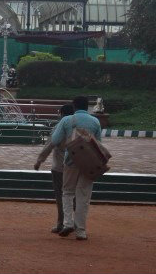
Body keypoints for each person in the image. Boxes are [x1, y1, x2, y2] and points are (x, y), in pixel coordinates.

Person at [48, 96, 102, 241]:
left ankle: (67, 223)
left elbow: (55, 140)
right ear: (87, 107)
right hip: (89, 163)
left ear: (74, 106)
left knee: (67, 192)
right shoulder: (95, 121)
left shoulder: (67, 120)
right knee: (83, 196)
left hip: (70, 161)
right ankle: (81, 231)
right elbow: (98, 143)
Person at [34, 104, 75, 233]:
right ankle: (76, 223)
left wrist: (40, 160)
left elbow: (50, 144)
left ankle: (61, 223)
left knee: (60, 195)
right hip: (75, 166)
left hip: (59, 167)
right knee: (74, 196)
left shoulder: (60, 126)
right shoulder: (77, 126)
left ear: (61, 114)